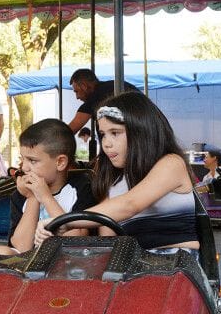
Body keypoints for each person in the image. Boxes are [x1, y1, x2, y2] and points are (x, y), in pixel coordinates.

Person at [38, 92, 198, 251]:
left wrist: (67, 221)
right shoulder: (114, 181)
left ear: (141, 131)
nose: (106, 143)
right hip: (133, 260)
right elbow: (107, 234)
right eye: (103, 135)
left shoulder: (172, 163)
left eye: (115, 133)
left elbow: (130, 205)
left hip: (174, 258)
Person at [1, 119, 96, 254]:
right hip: (30, 261)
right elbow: (22, 248)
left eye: (32, 160)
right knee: (1, 251)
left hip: (67, 260)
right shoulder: (22, 194)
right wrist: (33, 197)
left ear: (60, 162)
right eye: (23, 159)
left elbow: (76, 241)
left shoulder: (81, 188)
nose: (24, 167)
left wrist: (46, 197)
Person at [65, 69, 139, 162]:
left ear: (84, 86)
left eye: (76, 91)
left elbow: (68, 132)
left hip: (133, 148)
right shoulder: (113, 86)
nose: (77, 97)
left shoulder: (94, 99)